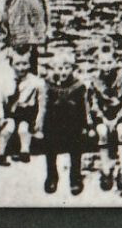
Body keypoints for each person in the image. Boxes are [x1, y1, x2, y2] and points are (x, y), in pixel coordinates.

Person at [40, 47, 89, 195]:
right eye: (60, 68)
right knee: (50, 145)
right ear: (54, 68)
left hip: (72, 124)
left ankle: (75, 177)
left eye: (67, 68)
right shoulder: (48, 84)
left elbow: (84, 107)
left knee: (76, 146)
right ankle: (52, 176)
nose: (63, 72)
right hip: (53, 124)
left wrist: (86, 125)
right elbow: (43, 106)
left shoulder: (78, 86)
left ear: (72, 69)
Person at [86, 43, 122, 191]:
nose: (106, 66)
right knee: (102, 132)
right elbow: (93, 103)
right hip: (102, 116)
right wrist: (103, 119)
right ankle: (106, 170)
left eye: (109, 62)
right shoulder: (95, 81)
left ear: (115, 62)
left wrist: (117, 118)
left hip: (119, 115)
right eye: (103, 63)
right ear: (98, 64)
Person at [0, 46, 45, 166]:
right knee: (8, 128)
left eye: (25, 64)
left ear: (29, 65)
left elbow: (42, 103)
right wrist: (0, 115)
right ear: (12, 65)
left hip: (27, 112)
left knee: (23, 129)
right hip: (10, 112)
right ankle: (0, 154)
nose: (21, 68)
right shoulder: (5, 81)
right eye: (18, 64)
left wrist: (38, 121)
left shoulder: (36, 82)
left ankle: (24, 152)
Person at [2, 0, 51, 70]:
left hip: (35, 29)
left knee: (33, 57)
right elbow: (5, 9)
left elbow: (46, 7)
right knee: (17, 58)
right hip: (17, 29)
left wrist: (47, 28)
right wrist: (6, 30)